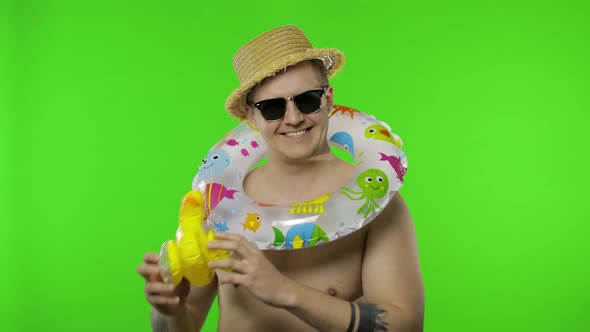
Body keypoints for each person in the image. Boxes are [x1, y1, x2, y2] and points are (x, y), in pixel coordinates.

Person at [137, 25, 424, 332]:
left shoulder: (375, 203)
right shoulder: (220, 206)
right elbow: (184, 323)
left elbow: (406, 325)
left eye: (307, 100)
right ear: (251, 117)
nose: (293, 118)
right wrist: (170, 311)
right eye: (272, 107)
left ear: (328, 98)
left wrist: (283, 291)